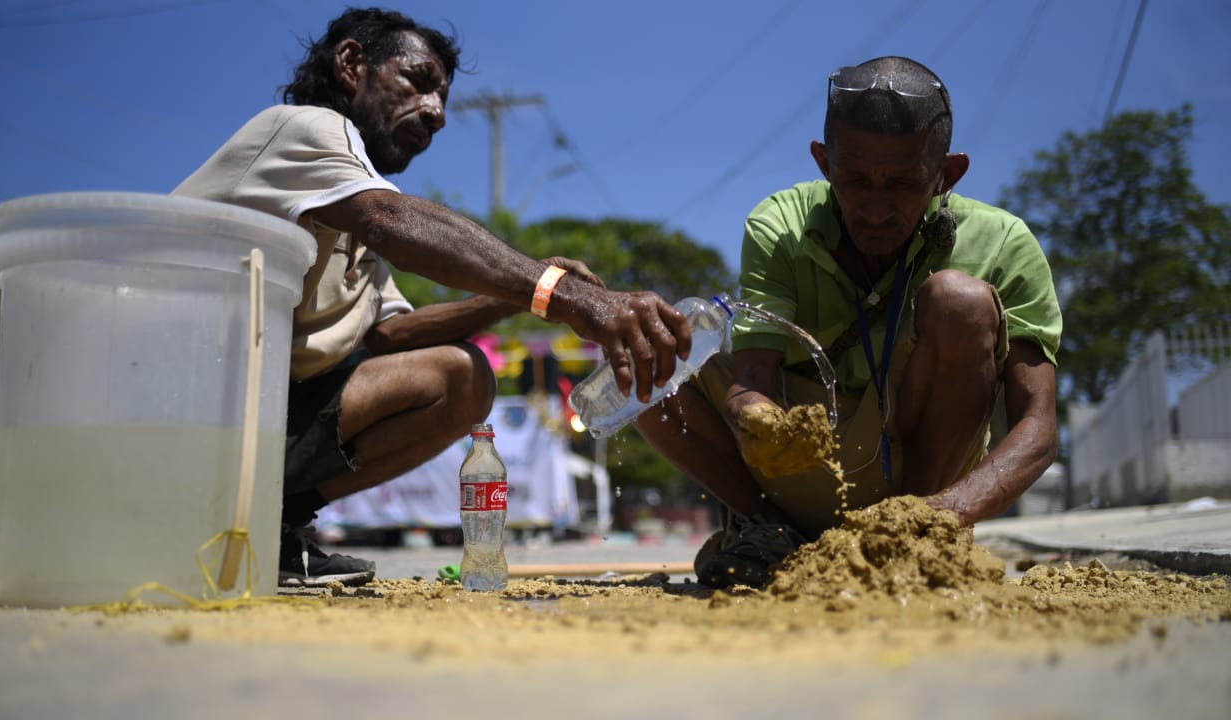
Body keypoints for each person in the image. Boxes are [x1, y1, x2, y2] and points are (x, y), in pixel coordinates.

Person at [174, 7, 691, 587]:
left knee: (460, 379)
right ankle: (197, 509)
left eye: (442, 99)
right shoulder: (306, 130)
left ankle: (275, 523)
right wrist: (561, 294)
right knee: (461, 367)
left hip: (247, 412)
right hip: (175, 400)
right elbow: (390, 219)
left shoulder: (350, 209)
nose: (436, 113)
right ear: (351, 65)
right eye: (418, 82)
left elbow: (389, 336)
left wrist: (513, 299)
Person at [635, 56, 1062, 588]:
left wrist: (940, 514)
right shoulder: (780, 227)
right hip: (799, 477)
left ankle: (914, 544)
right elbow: (752, 383)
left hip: (927, 488)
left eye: (903, 184)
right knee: (642, 357)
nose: (876, 208)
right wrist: (758, 417)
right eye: (856, 179)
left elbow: (1039, 430)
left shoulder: (1003, 243)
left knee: (960, 301)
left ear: (946, 174)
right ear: (823, 162)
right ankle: (769, 534)